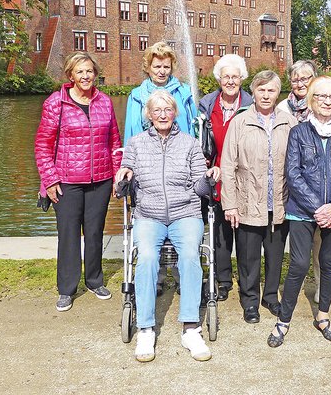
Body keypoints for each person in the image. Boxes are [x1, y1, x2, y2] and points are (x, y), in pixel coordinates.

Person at [115, 90, 220, 363]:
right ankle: (146, 328)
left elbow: (199, 185)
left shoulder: (190, 144)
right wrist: (123, 177)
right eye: (157, 110)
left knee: (189, 256)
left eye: (168, 110)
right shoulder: (136, 143)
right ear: (148, 114)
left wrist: (208, 178)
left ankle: (190, 327)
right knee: (147, 257)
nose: (162, 114)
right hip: (148, 214)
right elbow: (124, 174)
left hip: (185, 213)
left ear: (175, 113)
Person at [267, 76, 331, 347]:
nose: (326, 101)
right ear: (311, 100)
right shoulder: (299, 132)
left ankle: (323, 316)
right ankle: (283, 320)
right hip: (302, 210)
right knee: (298, 264)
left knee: (329, 263)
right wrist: (317, 207)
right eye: (321, 96)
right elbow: (293, 173)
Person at [35, 51, 122, 312]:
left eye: (89, 71)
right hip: (67, 181)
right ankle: (67, 289)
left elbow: (114, 142)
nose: (85, 76)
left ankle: (95, 280)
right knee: (69, 235)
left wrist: (117, 174)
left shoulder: (105, 102)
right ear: (70, 75)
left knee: (95, 233)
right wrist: (49, 180)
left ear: (95, 74)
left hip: (101, 179)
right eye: (79, 71)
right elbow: (43, 145)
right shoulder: (56, 103)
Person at [220, 70, 297, 323]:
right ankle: (250, 299)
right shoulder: (240, 122)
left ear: (278, 93)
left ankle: (271, 296)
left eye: (271, 90)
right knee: (248, 255)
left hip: (279, 200)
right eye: (261, 90)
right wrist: (229, 204)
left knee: (275, 254)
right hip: (247, 201)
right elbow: (228, 165)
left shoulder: (289, 122)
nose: (266, 95)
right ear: (253, 92)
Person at [124, 41, 197, 295]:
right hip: (147, 165)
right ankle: (152, 279)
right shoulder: (136, 95)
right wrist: (128, 167)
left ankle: (180, 276)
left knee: (181, 219)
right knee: (150, 219)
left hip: (179, 163)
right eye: (157, 66)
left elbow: (192, 130)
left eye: (166, 66)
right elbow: (131, 133)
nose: (162, 71)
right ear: (148, 67)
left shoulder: (184, 92)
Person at [277, 60, 331, 304]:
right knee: (296, 252)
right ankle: (284, 292)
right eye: (295, 79)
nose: (300, 83)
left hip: (325, 192)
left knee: (322, 250)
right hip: (293, 188)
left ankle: (320, 288)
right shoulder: (283, 107)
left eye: (305, 78)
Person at [197, 54, 253, 302]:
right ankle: (222, 280)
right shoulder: (208, 106)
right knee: (219, 231)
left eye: (235, 76)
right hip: (217, 175)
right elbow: (201, 143)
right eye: (226, 76)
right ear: (219, 79)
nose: (230, 81)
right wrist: (209, 168)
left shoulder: (251, 105)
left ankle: (247, 281)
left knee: (244, 232)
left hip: (246, 176)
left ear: (242, 78)